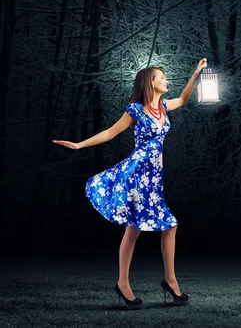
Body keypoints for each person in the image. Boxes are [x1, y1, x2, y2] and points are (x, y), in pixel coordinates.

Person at [53, 58, 207, 310]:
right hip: (136, 173)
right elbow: (111, 132)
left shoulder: (164, 107)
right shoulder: (135, 110)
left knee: (163, 227)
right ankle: (132, 283)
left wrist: (196, 74)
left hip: (154, 177)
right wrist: (79, 145)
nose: (166, 80)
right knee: (140, 228)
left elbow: (183, 99)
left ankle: (165, 280)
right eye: (161, 77)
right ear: (150, 82)